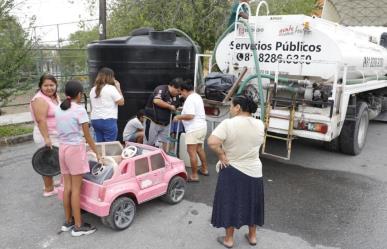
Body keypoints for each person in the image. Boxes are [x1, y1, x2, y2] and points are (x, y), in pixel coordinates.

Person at [207, 95, 264, 248]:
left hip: (232, 169)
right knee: (252, 203)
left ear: (238, 107)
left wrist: (221, 155)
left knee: (230, 203)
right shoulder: (260, 124)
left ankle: (229, 240)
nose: (230, 109)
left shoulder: (228, 124)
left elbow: (212, 142)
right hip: (255, 170)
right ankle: (252, 237)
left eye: (231, 106)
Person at [55, 80, 101, 237]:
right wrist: (98, 153)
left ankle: (68, 221)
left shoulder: (59, 108)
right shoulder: (80, 110)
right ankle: (79, 226)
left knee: (67, 187)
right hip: (75, 150)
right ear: (79, 94)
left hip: (62, 149)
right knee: (76, 189)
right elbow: (88, 136)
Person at [30, 74, 60, 197]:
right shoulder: (40, 100)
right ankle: (48, 189)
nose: (49, 88)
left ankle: (51, 183)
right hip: (46, 135)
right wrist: (46, 138)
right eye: (45, 85)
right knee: (47, 162)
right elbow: (41, 120)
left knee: (54, 160)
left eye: (51, 85)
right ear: (40, 86)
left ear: (56, 85)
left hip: (55, 134)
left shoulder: (54, 97)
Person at [173, 81, 208, 182]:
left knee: (191, 152)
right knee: (199, 149)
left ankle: (194, 176)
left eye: (181, 92)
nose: (181, 95)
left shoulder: (189, 99)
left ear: (184, 90)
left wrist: (178, 117)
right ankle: (205, 169)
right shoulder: (197, 96)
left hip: (194, 129)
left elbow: (190, 115)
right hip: (202, 127)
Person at [143, 78, 183, 151]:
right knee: (148, 144)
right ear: (173, 86)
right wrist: (169, 106)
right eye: (178, 91)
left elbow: (175, 107)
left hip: (166, 123)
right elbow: (156, 101)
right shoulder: (162, 89)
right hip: (153, 120)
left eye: (180, 92)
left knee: (164, 144)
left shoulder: (176, 97)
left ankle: (162, 160)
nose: (178, 93)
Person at [89, 67, 124, 142]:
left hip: (95, 120)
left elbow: (92, 106)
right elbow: (121, 102)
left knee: (100, 145)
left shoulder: (93, 89)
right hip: (108, 120)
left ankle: (100, 154)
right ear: (110, 77)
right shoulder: (111, 88)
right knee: (109, 146)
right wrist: (118, 88)